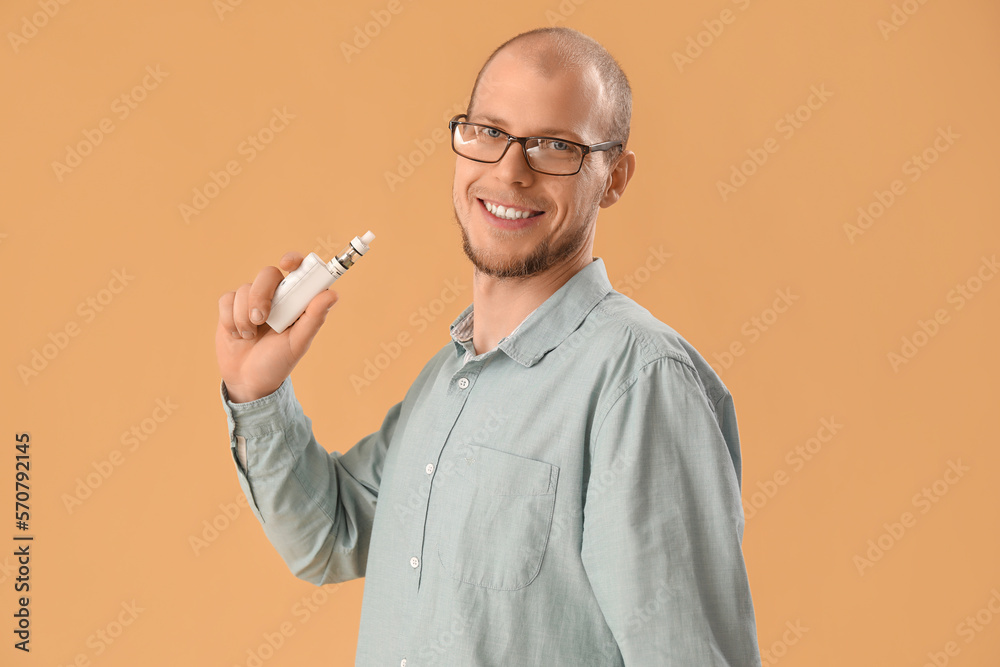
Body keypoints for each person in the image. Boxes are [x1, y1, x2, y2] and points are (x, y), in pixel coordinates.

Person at [216, 26, 762, 666]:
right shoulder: (447, 381)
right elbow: (331, 536)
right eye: (489, 133)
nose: (510, 170)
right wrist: (258, 395)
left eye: (555, 145)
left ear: (614, 177)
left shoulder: (640, 382)